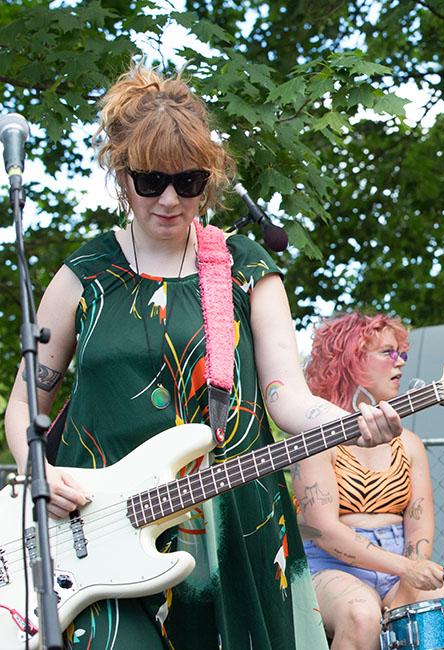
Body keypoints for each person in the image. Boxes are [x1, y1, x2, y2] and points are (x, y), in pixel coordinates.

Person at [3, 64, 402, 649]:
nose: (170, 199)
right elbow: (23, 406)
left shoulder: (245, 267)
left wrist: (349, 424)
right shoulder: (84, 275)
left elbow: (285, 395)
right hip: (92, 530)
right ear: (121, 175)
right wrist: (38, 468)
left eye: (188, 182)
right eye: (150, 181)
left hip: (231, 524)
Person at [293, 313, 444, 650]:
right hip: (328, 566)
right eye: (388, 352)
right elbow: (324, 532)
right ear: (351, 361)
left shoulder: (410, 443)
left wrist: (411, 575)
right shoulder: (316, 438)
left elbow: (419, 527)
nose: (400, 361)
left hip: (399, 566)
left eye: (401, 353)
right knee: (362, 615)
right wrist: (405, 568)